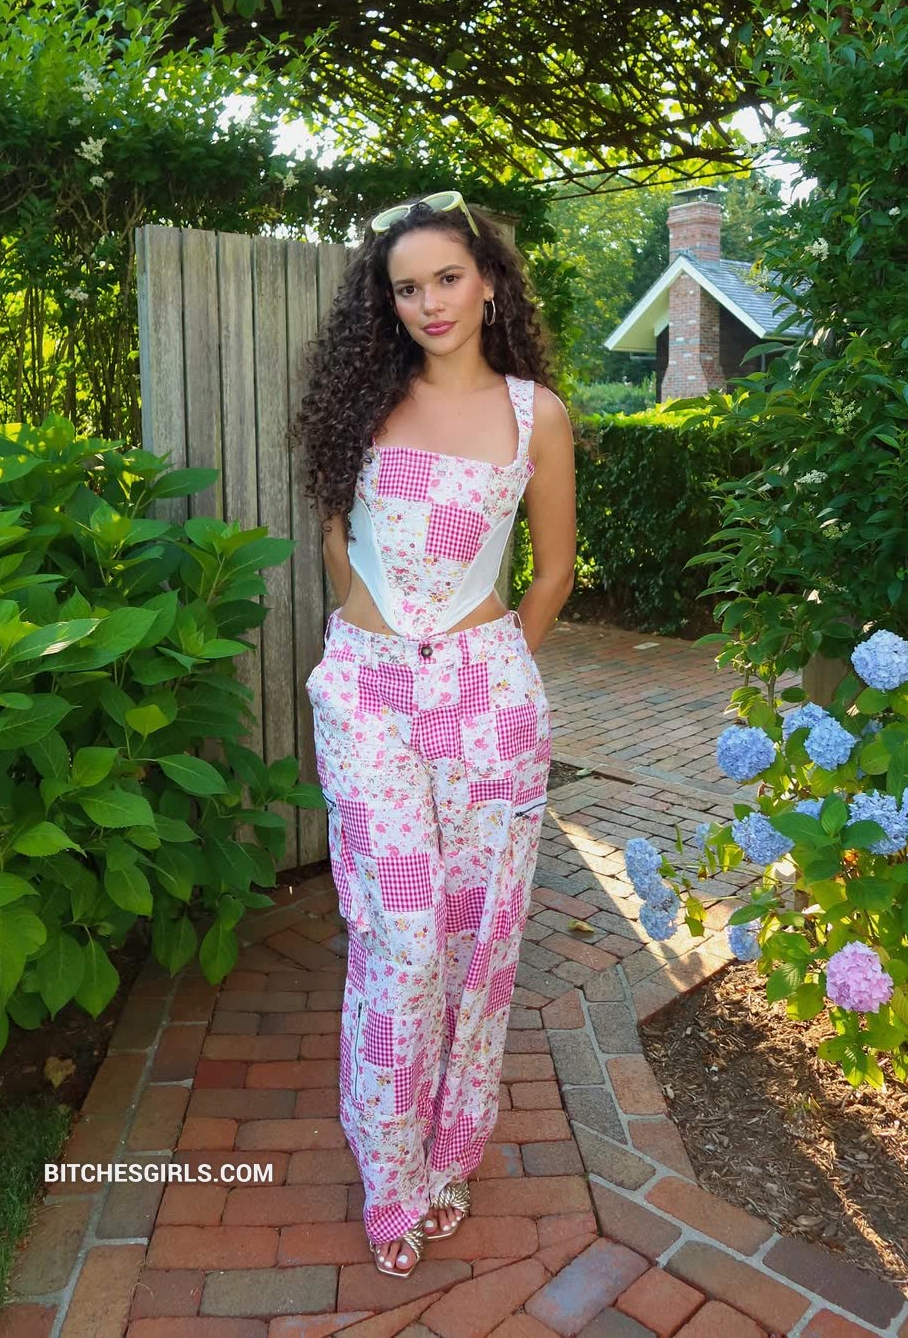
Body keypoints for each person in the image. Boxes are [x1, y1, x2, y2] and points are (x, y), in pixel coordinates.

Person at [292, 190, 575, 1279]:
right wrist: (375, 645)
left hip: (488, 702)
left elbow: (551, 573)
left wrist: (488, 667)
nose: (429, 303)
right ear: (389, 303)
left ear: (489, 282)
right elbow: (339, 544)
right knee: (402, 936)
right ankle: (389, 1171)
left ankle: (450, 1151)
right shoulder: (362, 404)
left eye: (447, 278)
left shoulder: (536, 416)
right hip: (368, 695)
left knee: (477, 940)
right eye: (406, 287)